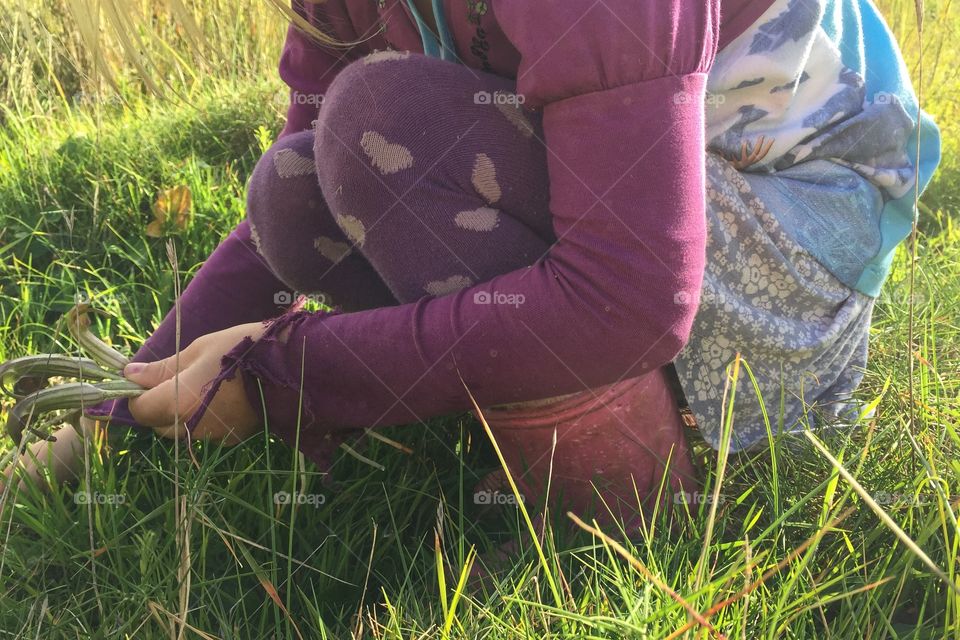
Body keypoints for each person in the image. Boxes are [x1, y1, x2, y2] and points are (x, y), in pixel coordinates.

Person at [6, 0, 940, 529]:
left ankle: (630, 516)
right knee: (297, 184)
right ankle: (510, 412)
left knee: (391, 122)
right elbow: (288, 211)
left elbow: (632, 299)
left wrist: (287, 379)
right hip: (662, 195)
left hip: (790, 241)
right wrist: (106, 418)